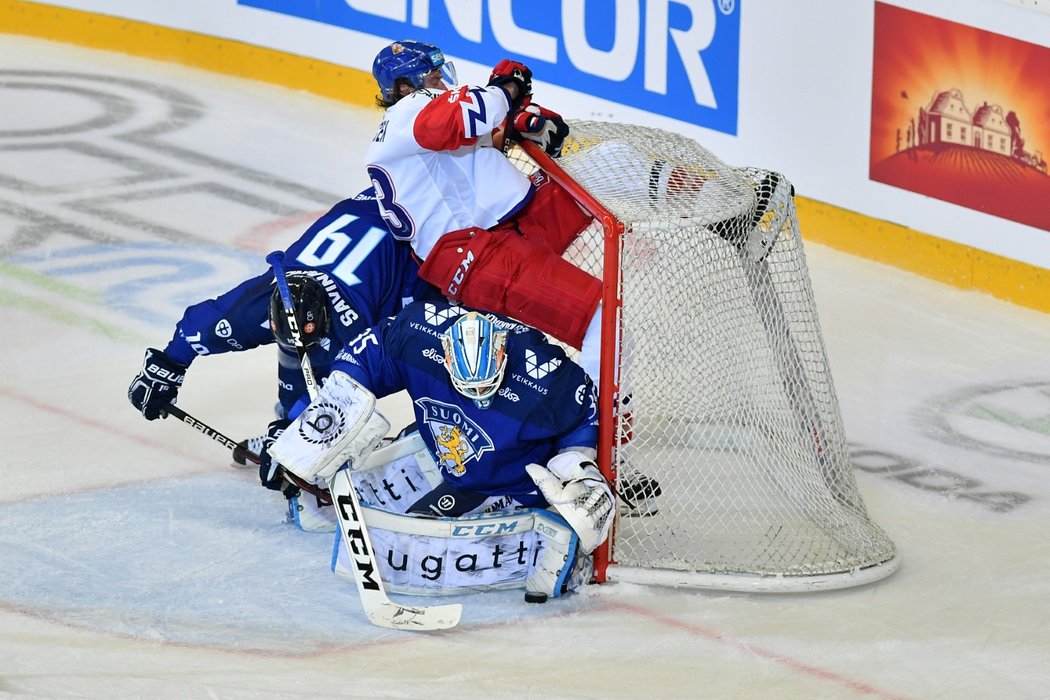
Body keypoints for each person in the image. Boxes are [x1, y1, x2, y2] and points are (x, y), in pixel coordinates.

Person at [365, 39, 665, 516]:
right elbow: (460, 117)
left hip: (512, 227)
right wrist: (503, 88)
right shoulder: (408, 113)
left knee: (611, 163)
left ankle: (722, 210)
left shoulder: (422, 124)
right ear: (404, 86)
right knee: (604, 322)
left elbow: (476, 143)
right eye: (431, 75)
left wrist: (525, 125)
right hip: (479, 252)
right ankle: (591, 460)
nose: (442, 81)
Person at [126, 187, 437, 523]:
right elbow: (197, 329)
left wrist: (301, 436)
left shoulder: (353, 325)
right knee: (299, 352)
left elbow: (350, 389)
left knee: (424, 341)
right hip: (371, 216)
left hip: (416, 238)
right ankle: (289, 420)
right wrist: (166, 368)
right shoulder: (257, 304)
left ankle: (446, 433)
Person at [267, 299, 614, 598]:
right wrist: (336, 408)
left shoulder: (548, 378)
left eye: (487, 386)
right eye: (467, 386)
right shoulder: (418, 333)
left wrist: (579, 471)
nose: (479, 397)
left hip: (512, 485)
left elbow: (583, 420)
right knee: (334, 507)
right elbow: (370, 351)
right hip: (443, 456)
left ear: (502, 357)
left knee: (398, 546)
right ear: (446, 357)